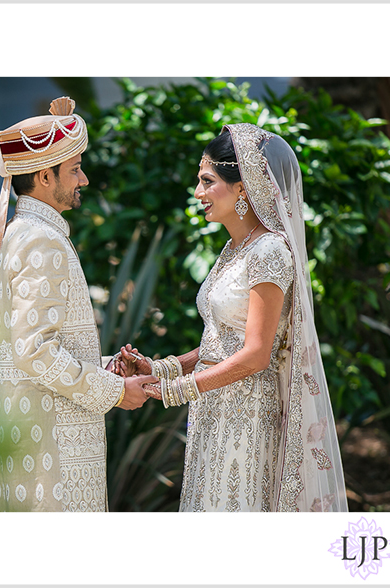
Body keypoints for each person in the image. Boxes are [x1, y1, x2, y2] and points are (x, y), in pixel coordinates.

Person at [116, 123, 348, 512]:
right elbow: (222, 341)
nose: (198, 193)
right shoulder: (234, 250)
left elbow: (257, 353)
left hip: (246, 414)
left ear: (242, 187)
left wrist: (181, 389)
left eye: (207, 181)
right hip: (212, 407)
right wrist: (164, 369)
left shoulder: (269, 251)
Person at [0, 96, 157, 511]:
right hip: (55, 454)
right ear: (43, 176)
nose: (84, 179)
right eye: (74, 169)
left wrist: (104, 364)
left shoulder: (21, 232)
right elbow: (34, 351)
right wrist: (114, 390)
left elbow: (33, 345)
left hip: (40, 443)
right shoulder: (41, 239)